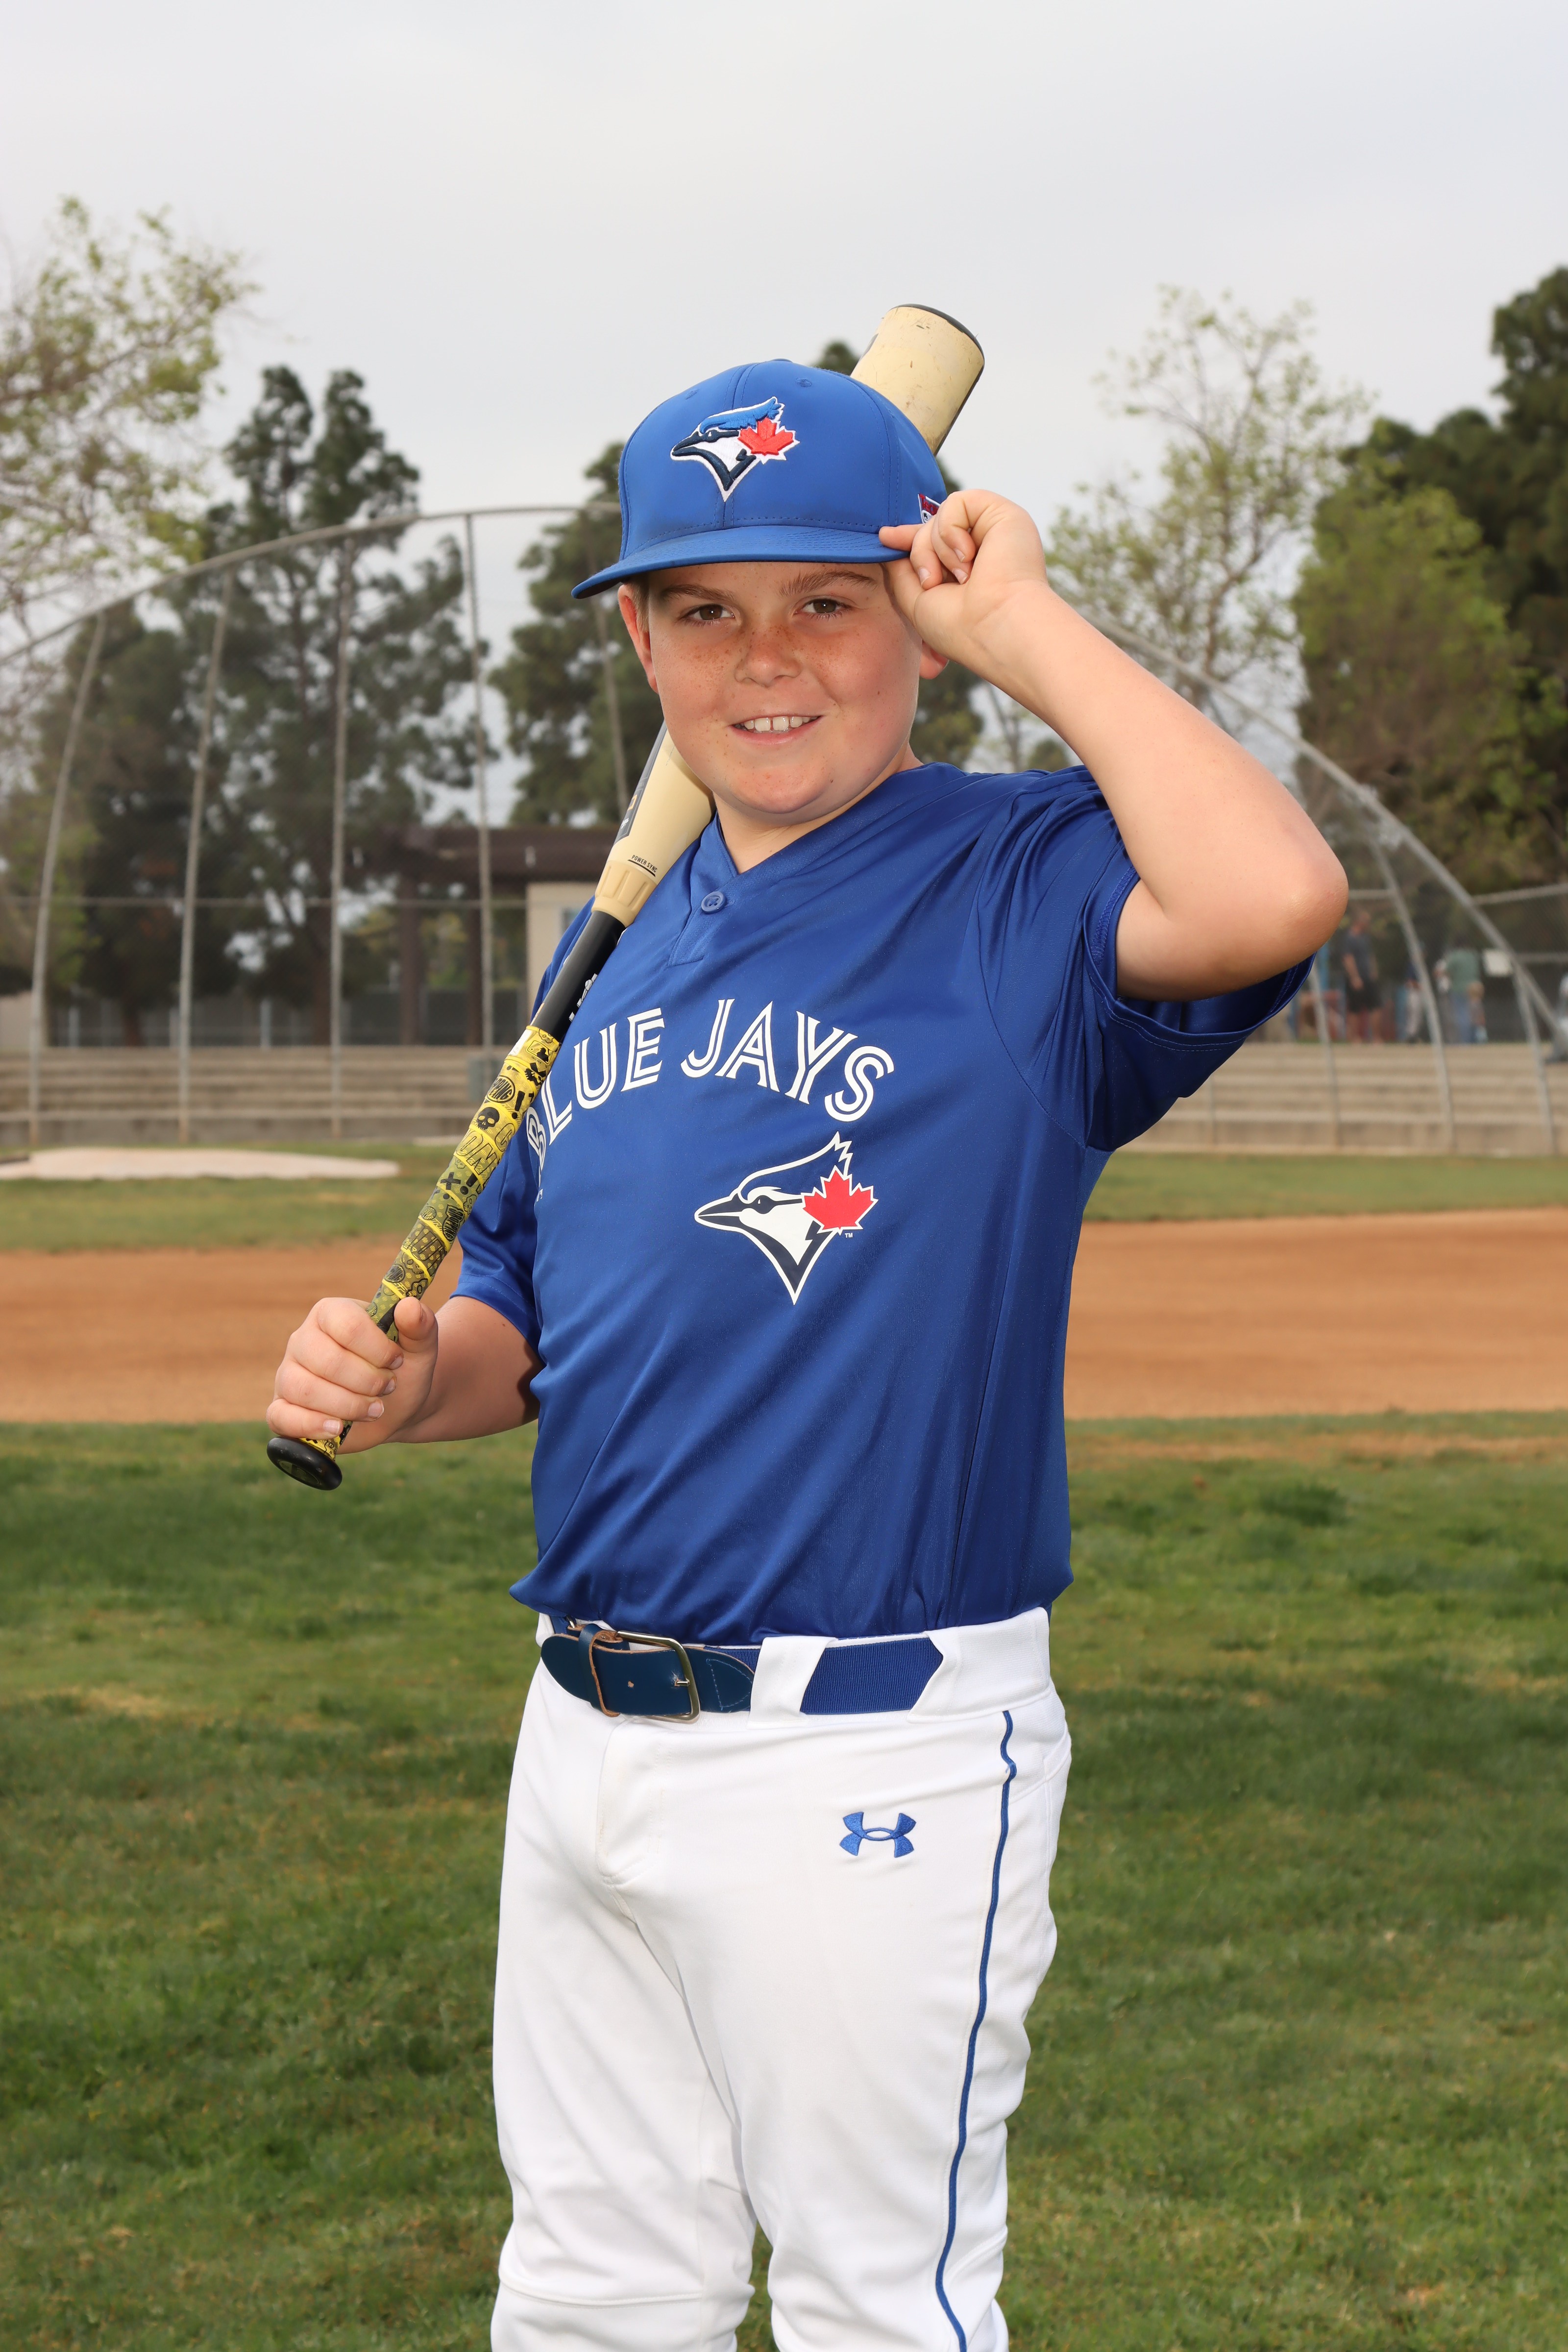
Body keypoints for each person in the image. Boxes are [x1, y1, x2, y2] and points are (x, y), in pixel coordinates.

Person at [269, 359, 1346, 2352]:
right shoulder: (618, 946)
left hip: (868, 1743)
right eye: (704, 609)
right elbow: (519, 1313)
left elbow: (1273, 893)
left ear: (915, 621)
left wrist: (1025, 626)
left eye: (826, 603)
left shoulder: (1016, 879)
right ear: (639, 641)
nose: (764, 660)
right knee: (588, 2297)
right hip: (580, 1725)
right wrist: (413, 1377)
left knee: (877, 2311)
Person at [1341, 906, 1381, 1043]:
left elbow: (1370, 956)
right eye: (1366, 921)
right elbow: (1348, 958)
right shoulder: (1350, 938)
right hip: (1356, 979)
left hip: (1368, 977)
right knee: (1355, 1009)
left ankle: (1376, 1038)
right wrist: (1355, 978)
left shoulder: (1366, 938)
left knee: (1375, 1006)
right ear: (1359, 921)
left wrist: (1374, 971)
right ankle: (1354, 1038)